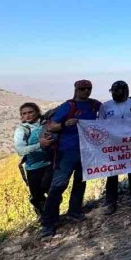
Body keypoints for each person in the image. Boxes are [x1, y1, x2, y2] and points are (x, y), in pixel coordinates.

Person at [40, 80, 101, 238]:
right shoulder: (68, 106)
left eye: (89, 89)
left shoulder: (94, 105)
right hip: (66, 152)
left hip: (86, 150)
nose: (86, 91)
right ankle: (48, 223)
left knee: (80, 183)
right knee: (58, 186)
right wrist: (64, 124)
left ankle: (74, 211)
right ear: (76, 89)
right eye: (82, 89)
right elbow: (51, 126)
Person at [98, 81, 131, 214]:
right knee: (112, 173)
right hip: (113, 144)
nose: (114, 94)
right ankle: (110, 202)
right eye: (112, 91)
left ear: (125, 91)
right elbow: (101, 124)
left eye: (116, 91)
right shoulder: (105, 106)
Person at [13, 102, 52, 219]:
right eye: (24, 113)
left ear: (37, 112)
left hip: (50, 164)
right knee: (37, 197)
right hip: (33, 168)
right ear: (21, 116)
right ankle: (44, 218)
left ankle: (52, 218)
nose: (28, 115)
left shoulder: (46, 124)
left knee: (53, 192)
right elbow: (20, 150)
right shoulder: (22, 130)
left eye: (30, 112)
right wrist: (40, 145)